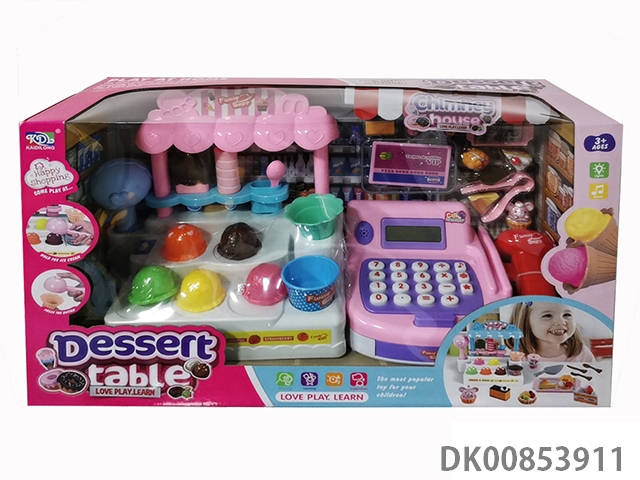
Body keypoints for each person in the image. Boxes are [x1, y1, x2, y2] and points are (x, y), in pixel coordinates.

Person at [508, 301, 595, 362]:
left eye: (566, 315)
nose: (561, 322)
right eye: (548, 316)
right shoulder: (516, 356)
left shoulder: (581, 353)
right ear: (525, 321)